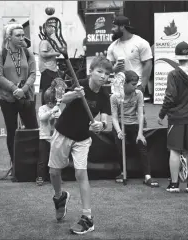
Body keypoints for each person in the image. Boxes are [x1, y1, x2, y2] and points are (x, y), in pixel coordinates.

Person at [48, 56, 112, 234]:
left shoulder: (104, 96)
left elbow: (106, 121)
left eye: (106, 74)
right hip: (62, 133)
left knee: (80, 173)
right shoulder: (80, 83)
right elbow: (63, 99)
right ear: (91, 71)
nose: (103, 76)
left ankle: (87, 218)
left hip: (82, 139)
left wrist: (101, 125)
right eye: (100, 71)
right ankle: (60, 197)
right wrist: (76, 93)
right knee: (54, 172)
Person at [158, 41, 188, 193]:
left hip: (176, 117)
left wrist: (162, 114)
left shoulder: (173, 74)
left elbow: (170, 97)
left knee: (175, 151)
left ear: (177, 55)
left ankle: (174, 184)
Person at [0, 21, 38, 165]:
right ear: (9, 37)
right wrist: (14, 89)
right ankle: (16, 165)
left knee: (32, 129)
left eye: (23, 35)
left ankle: (34, 163)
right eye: (18, 35)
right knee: (12, 131)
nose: (21, 38)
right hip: (8, 98)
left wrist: (23, 90)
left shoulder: (27, 52)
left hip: (27, 96)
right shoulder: (1, 54)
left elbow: (33, 74)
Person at [110, 70, 159, 187]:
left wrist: (140, 133)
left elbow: (141, 114)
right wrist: (119, 131)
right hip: (120, 125)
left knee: (142, 146)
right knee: (119, 146)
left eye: (136, 84)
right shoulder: (115, 97)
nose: (135, 86)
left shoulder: (139, 94)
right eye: (133, 84)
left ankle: (147, 176)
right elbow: (114, 117)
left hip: (134, 124)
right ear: (124, 84)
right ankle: (123, 172)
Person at [107, 16, 153, 127]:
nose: (112, 29)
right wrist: (114, 69)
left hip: (135, 86)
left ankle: (140, 139)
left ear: (122, 27)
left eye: (114, 26)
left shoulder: (141, 43)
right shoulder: (112, 47)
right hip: (119, 88)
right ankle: (119, 139)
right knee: (118, 119)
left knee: (139, 118)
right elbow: (108, 67)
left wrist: (143, 85)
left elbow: (148, 63)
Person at [37, 84, 62, 186]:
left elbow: (60, 121)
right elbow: (42, 118)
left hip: (55, 138)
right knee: (42, 160)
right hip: (44, 138)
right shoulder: (42, 108)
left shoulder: (58, 109)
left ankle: (55, 177)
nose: (53, 105)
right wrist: (52, 111)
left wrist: (57, 115)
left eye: (55, 103)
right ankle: (40, 177)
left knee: (55, 160)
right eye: (51, 103)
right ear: (48, 102)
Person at [39, 25, 61, 105]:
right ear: (45, 29)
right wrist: (56, 53)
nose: (52, 28)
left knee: (53, 88)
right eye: (49, 26)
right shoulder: (44, 42)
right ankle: (44, 106)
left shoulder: (49, 41)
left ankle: (50, 105)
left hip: (52, 68)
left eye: (52, 26)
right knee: (46, 89)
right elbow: (43, 54)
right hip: (47, 69)